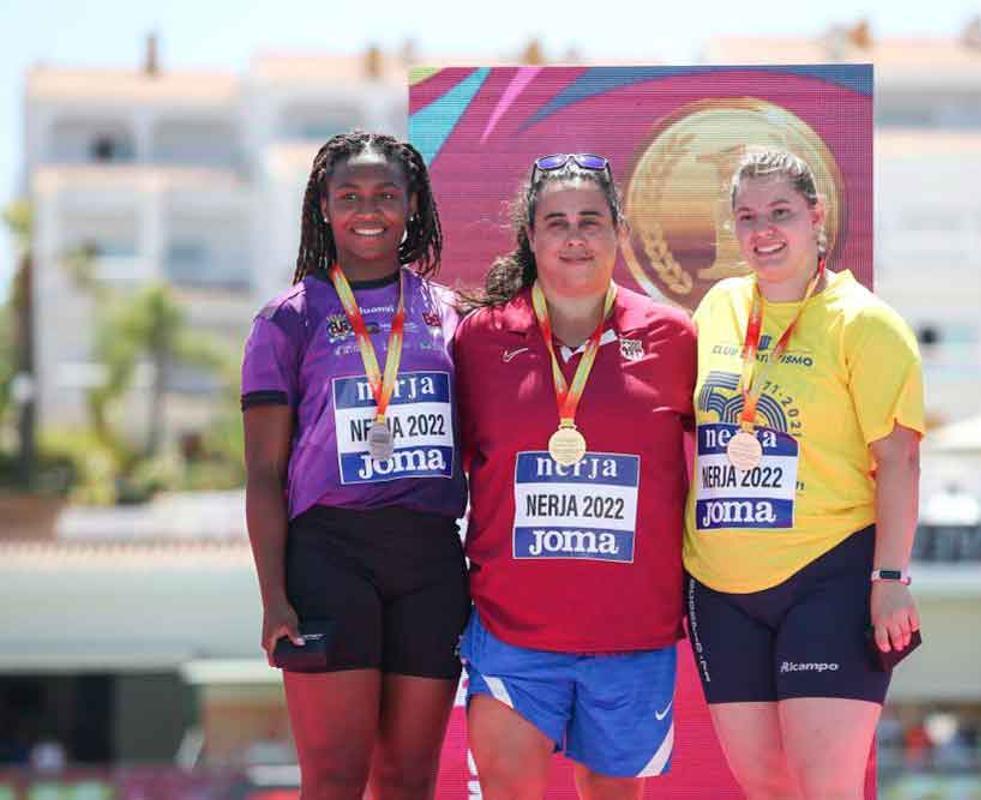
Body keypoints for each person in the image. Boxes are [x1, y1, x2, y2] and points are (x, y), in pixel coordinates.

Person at [453, 153, 695, 800]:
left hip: (632, 637)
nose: (574, 236)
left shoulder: (674, 338)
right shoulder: (479, 340)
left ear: (619, 230)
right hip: (511, 635)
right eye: (555, 222)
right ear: (531, 238)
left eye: (590, 220)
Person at [685, 148, 925, 800]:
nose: (763, 230)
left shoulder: (865, 322)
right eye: (747, 216)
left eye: (781, 213)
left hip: (829, 580)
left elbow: (900, 459)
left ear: (817, 216)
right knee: (767, 787)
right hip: (719, 588)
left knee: (825, 788)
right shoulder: (719, 308)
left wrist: (891, 578)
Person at [241, 131, 467, 800]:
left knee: (407, 782)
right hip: (329, 560)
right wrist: (273, 596)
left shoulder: (449, 313)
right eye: (349, 196)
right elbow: (261, 474)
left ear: (412, 205)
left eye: (386, 195)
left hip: (430, 562)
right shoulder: (286, 322)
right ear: (323, 208)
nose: (368, 210)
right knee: (336, 779)